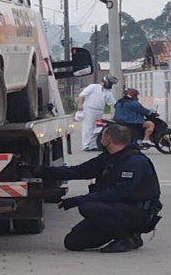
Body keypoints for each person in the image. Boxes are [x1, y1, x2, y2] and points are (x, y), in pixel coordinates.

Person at [34, 124, 163, 253]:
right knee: (73, 242)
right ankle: (127, 234)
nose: (101, 140)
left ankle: (125, 239)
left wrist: (78, 200)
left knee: (88, 207)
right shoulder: (109, 158)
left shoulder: (134, 162)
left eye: (102, 137)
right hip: (113, 210)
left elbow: (118, 193)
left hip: (136, 212)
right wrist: (40, 171)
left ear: (107, 140)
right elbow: (77, 171)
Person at [77, 75, 117, 151]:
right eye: (111, 83)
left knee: (97, 128)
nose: (111, 85)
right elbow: (82, 95)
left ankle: (93, 145)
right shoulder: (93, 87)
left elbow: (113, 103)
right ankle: (86, 145)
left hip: (100, 111)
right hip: (90, 109)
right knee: (88, 127)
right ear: (106, 81)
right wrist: (80, 105)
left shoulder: (108, 92)